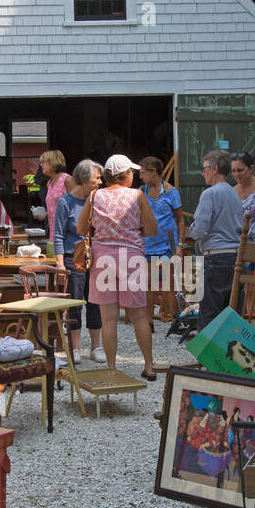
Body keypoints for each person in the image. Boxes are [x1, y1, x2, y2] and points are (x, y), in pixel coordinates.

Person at [77, 153, 158, 380]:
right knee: (140, 316)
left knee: (108, 318)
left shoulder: (95, 195)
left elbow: (80, 228)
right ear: (125, 175)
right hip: (131, 258)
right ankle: (149, 366)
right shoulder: (137, 196)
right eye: (131, 172)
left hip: (103, 259)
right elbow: (152, 230)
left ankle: (111, 368)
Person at [52, 159, 104, 366]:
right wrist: (59, 263)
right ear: (84, 179)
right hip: (73, 258)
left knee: (96, 302)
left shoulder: (98, 200)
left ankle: (95, 347)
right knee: (74, 304)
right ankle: (74, 349)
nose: (100, 182)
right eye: (97, 177)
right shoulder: (65, 203)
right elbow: (57, 235)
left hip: (96, 257)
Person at [188, 149, 244, 331]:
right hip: (234, 258)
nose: (202, 173)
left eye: (204, 169)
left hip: (216, 258)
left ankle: (208, 358)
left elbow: (199, 230)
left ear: (215, 169)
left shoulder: (210, 194)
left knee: (209, 311)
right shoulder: (234, 194)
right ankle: (229, 355)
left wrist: (191, 230)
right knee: (230, 311)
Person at [138, 156, 185, 323]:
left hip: (167, 244)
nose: (141, 176)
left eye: (143, 173)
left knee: (169, 283)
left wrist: (179, 245)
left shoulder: (171, 192)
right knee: (149, 283)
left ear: (153, 172)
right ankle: (148, 321)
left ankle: (176, 320)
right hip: (148, 243)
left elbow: (180, 220)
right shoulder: (141, 191)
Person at [39, 150, 73, 239]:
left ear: (52, 162)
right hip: (54, 235)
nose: (41, 165)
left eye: (43, 162)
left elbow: (77, 207)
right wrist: (45, 214)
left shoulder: (68, 180)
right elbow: (55, 208)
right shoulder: (49, 183)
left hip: (67, 235)